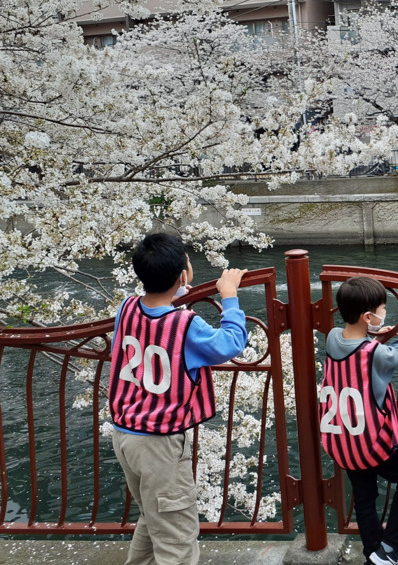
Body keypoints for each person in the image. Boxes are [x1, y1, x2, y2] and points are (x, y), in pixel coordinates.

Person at [108, 233, 249, 565]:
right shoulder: (186, 325)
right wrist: (229, 297)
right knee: (177, 538)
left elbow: (155, 312)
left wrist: (179, 290)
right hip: (159, 446)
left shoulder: (126, 308)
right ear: (184, 274)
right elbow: (230, 343)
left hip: (125, 435)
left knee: (153, 515)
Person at [319, 276, 398, 565]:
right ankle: (392, 545)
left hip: (343, 440)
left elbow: (360, 340)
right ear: (368, 316)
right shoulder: (374, 352)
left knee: (365, 495)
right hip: (374, 441)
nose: (384, 314)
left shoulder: (332, 338)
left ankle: (374, 553)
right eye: (382, 310)